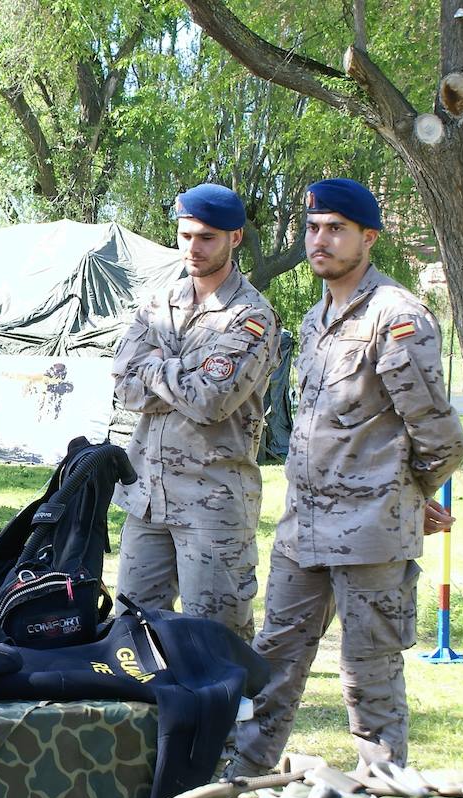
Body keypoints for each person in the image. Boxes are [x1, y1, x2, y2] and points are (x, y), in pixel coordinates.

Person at [225, 179, 463, 778]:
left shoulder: (398, 317)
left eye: (336, 228)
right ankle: (240, 790)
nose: (320, 240)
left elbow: (439, 436)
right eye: (312, 228)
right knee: (272, 665)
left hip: (369, 535)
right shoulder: (315, 319)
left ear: (368, 237)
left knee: (369, 675)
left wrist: (407, 497)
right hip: (302, 528)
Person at [111, 183, 279, 641]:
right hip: (147, 497)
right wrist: (181, 374)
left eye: (206, 237)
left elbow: (210, 402)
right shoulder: (159, 302)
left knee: (215, 641)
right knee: (131, 636)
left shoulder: (251, 317)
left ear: (235, 238)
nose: (193, 248)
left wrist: (152, 367)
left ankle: (231, 716)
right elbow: (123, 386)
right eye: (185, 236)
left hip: (213, 504)